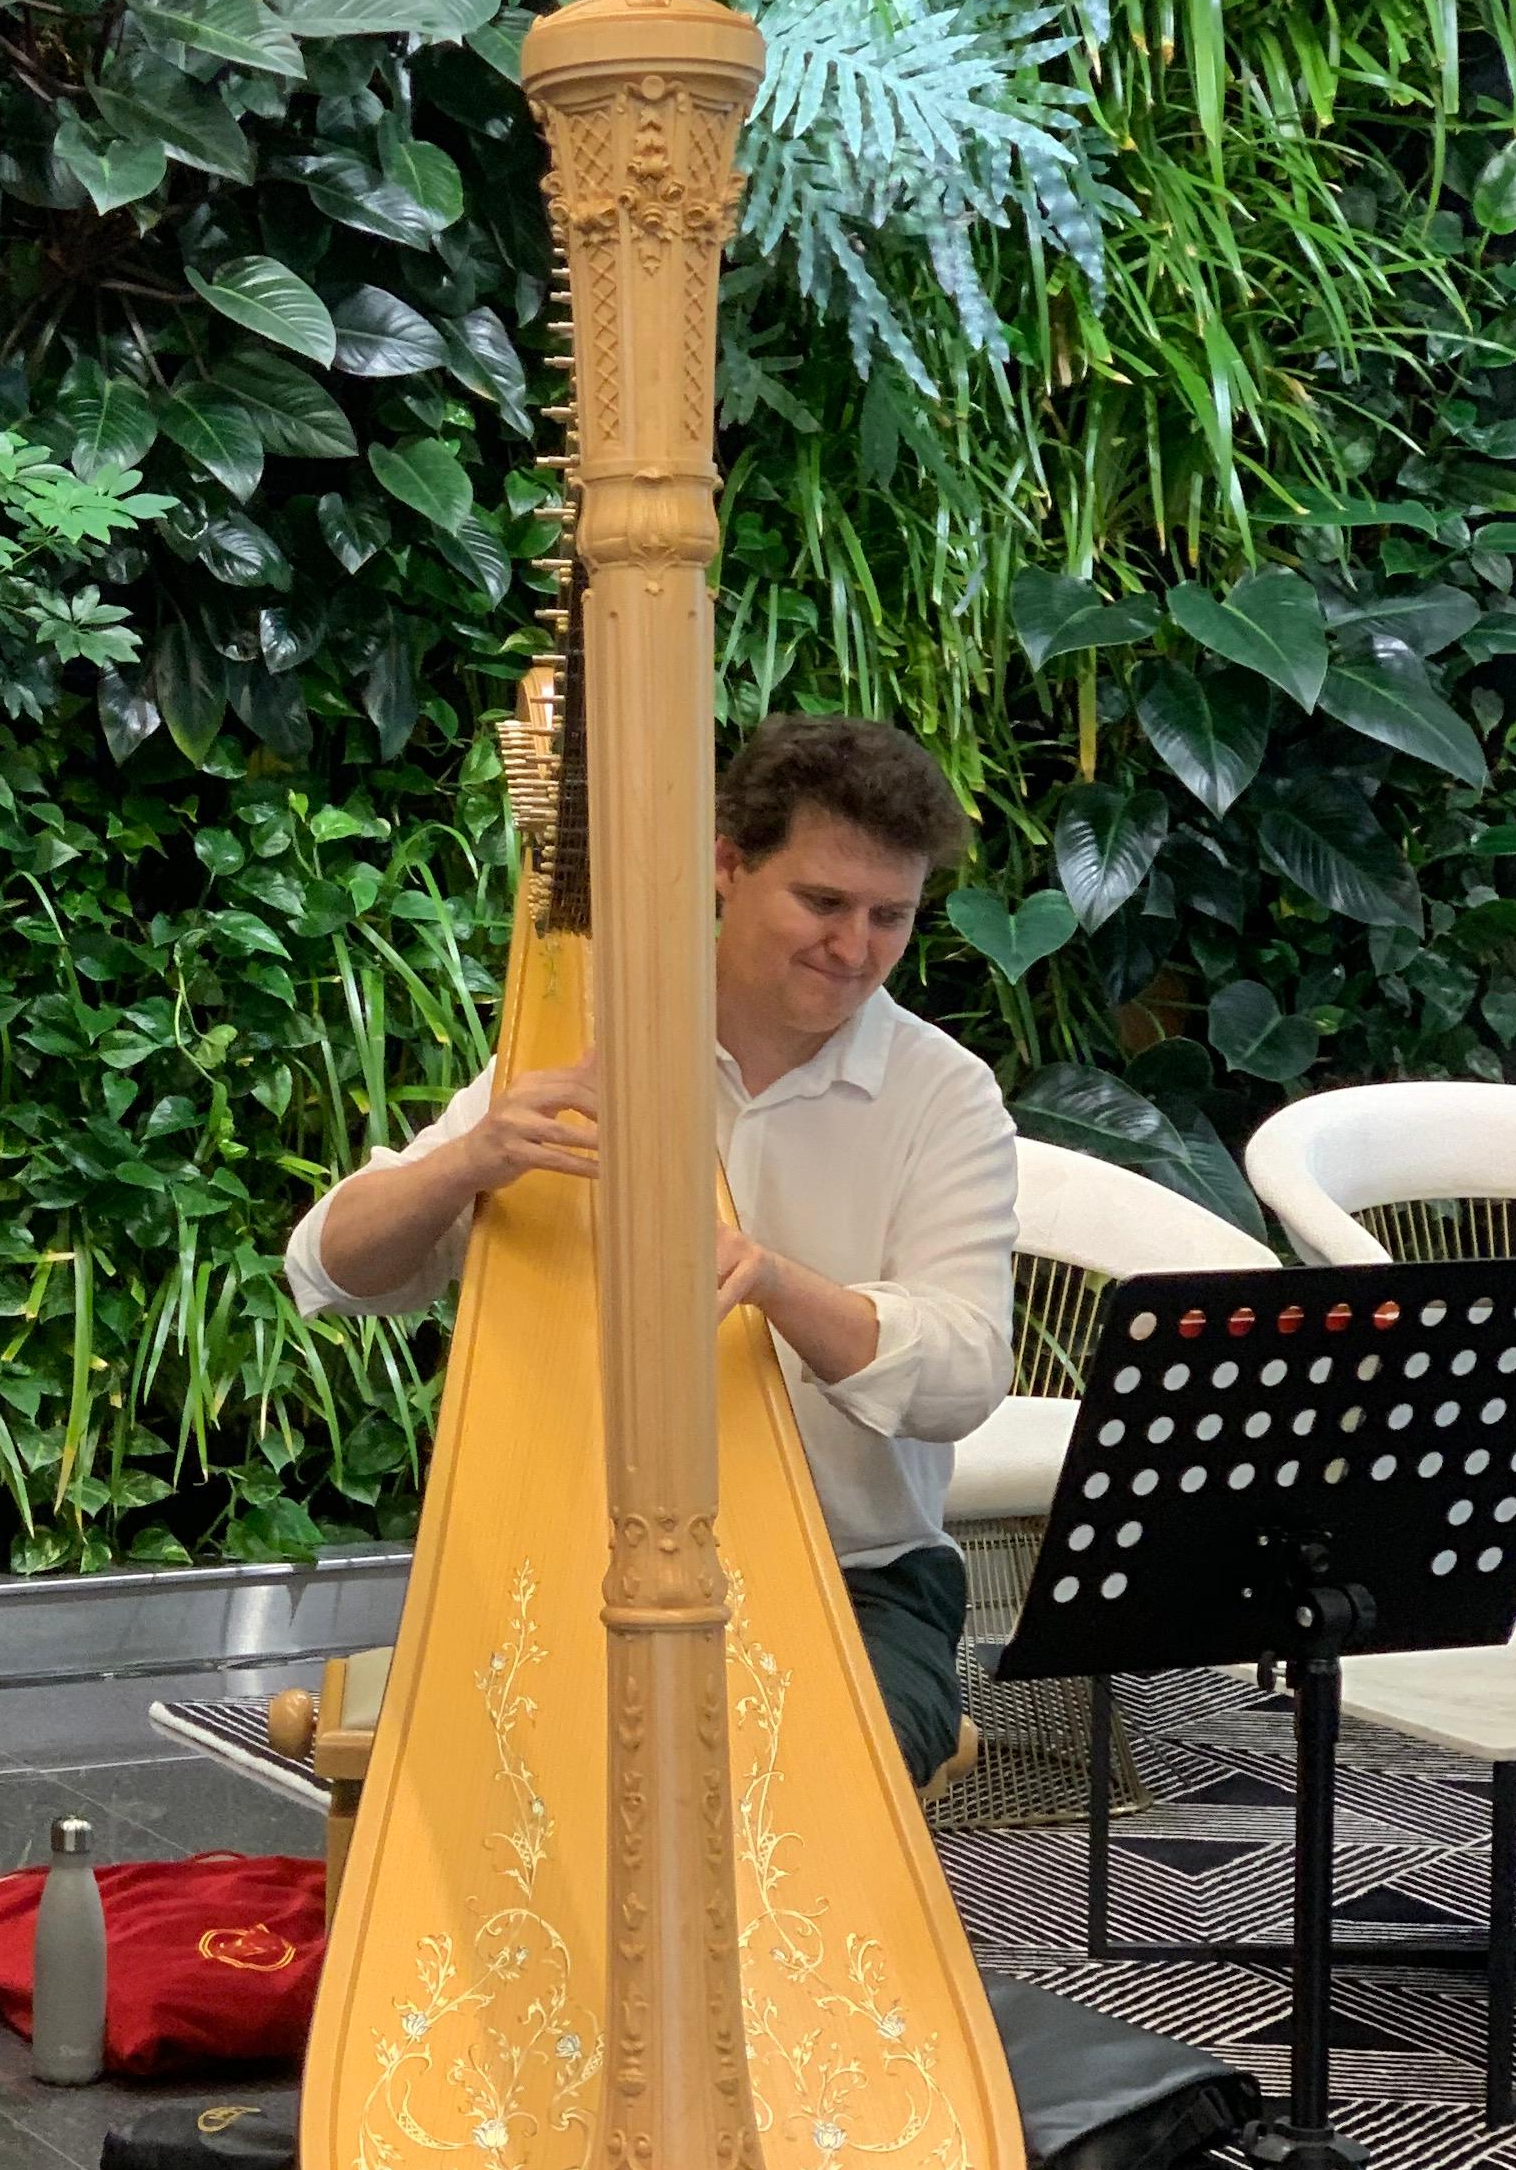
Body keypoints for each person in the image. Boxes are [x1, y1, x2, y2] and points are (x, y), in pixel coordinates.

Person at [285, 710, 1014, 1783]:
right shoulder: (596, 1045)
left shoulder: (944, 1095)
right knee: (515, 1782)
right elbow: (327, 1267)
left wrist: (774, 1282)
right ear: (726, 865)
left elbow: (965, 1374)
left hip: (857, 1573)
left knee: (793, 1777)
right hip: (572, 1566)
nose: (854, 948)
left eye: (889, 916)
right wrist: (469, 1161)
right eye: (822, 902)